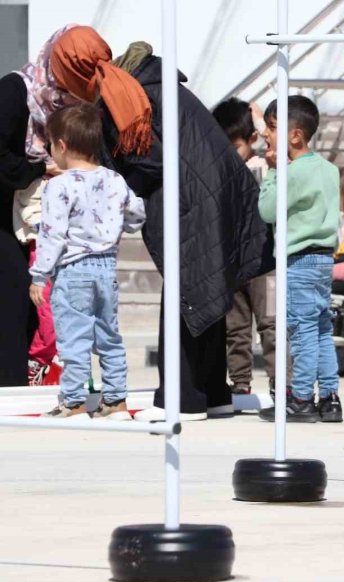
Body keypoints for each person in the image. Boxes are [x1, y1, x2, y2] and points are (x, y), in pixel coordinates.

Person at [48, 29, 271, 421]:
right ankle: (213, 393)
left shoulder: (119, 98)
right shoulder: (140, 76)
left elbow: (151, 161)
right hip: (219, 184)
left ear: (74, 71)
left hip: (193, 195)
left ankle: (182, 400)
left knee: (188, 293)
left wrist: (104, 185)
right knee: (209, 286)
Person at [30, 103, 145, 418]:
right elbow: (136, 214)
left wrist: (40, 275)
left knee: (74, 338)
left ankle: (73, 401)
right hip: (107, 269)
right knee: (109, 335)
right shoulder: (114, 179)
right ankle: (116, 400)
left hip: (73, 270)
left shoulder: (59, 185)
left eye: (52, 144)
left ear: (62, 146)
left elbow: (53, 234)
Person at [256, 95, 342, 424]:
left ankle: (301, 397)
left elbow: (267, 209)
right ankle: (330, 397)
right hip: (323, 259)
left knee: (302, 331)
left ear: (295, 135)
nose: (266, 134)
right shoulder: (329, 169)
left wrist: (274, 170)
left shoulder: (293, 172)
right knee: (320, 330)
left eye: (273, 127)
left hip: (298, 261)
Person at [0, 25, 71, 387]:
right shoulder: (14, 93)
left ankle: (27, 379)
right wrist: (40, 168)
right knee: (13, 295)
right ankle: (10, 387)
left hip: (25, 218)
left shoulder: (61, 100)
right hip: (6, 213)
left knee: (31, 297)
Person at [212, 97, 277, 397]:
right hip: (233, 262)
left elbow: (283, 149)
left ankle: (281, 384)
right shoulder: (218, 171)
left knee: (271, 325)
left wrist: (263, 122)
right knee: (235, 329)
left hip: (266, 263)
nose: (230, 154)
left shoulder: (266, 166)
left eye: (235, 146)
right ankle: (240, 383)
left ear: (252, 139)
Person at [14, 179, 61, 385]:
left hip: (74, 249)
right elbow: (27, 206)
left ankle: (49, 361)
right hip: (43, 244)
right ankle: (39, 361)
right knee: (48, 311)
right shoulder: (38, 176)